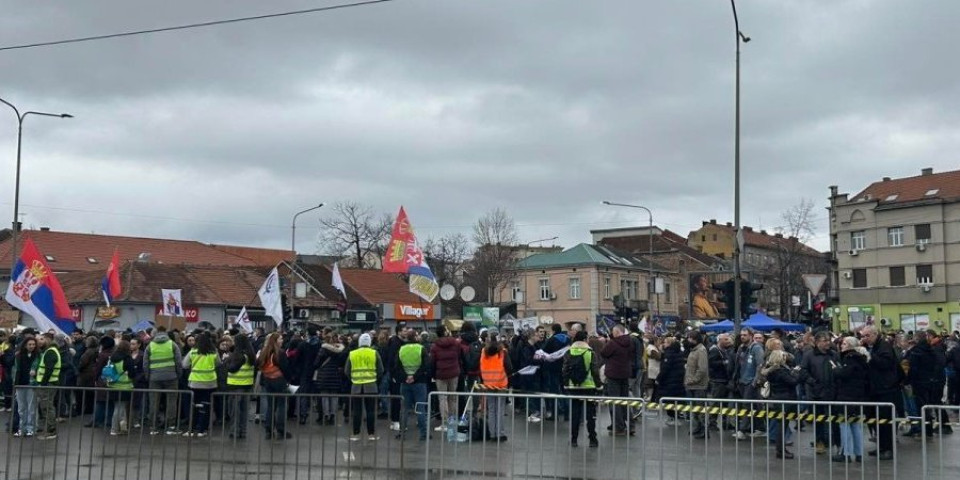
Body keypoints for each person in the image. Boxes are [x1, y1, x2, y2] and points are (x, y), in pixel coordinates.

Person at [860, 326, 900, 460]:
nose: (864, 338)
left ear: (874, 334)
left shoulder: (884, 346)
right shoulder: (873, 347)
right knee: (876, 420)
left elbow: (885, 364)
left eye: (866, 336)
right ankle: (881, 446)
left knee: (885, 421)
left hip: (885, 389)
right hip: (874, 389)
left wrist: (870, 357)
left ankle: (888, 449)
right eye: (863, 336)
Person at [798, 331, 838, 455]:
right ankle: (820, 442)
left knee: (834, 419)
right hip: (817, 393)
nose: (827, 343)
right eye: (824, 340)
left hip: (832, 392)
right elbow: (803, 371)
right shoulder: (809, 355)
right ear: (817, 342)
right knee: (819, 420)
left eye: (828, 340)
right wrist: (813, 382)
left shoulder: (834, 354)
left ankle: (836, 443)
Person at [832, 336, 869, 463]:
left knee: (844, 424)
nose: (841, 345)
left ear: (849, 345)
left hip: (847, 395)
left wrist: (836, 369)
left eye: (844, 343)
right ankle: (858, 453)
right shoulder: (861, 359)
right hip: (858, 395)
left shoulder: (850, 358)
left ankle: (846, 453)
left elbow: (844, 374)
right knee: (855, 424)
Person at [562, 330, 600, 448]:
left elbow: (565, 370)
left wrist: (565, 383)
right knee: (590, 415)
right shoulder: (590, 352)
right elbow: (595, 371)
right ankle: (592, 439)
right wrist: (599, 385)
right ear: (584, 340)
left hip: (573, 387)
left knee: (575, 414)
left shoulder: (569, 352)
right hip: (588, 387)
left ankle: (573, 439)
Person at [144, 325, 184, 435]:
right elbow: (179, 362)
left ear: (156, 333)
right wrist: (178, 375)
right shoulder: (172, 344)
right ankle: (171, 426)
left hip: (154, 378)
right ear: (166, 332)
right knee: (171, 402)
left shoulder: (150, 346)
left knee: (154, 402)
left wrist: (148, 376)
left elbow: (145, 364)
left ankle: (153, 427)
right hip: (171, 377)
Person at [345, 333, 384, 442]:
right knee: (371, 411)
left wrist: (353, 379)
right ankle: (371, 434)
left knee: (357, 411)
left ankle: (355, 434)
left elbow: (346, 371)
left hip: (356, 386)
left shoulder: (352, 353)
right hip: (371, 386)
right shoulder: (374, 353)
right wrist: (375, 379)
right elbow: (381, 370)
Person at [762, 350, 799, 459]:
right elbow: (793, 381)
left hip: (777, 398)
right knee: (782, 426)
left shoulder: (771, 371)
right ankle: (780, 450)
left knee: (781, 425)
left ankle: (781, 449)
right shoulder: (780, 371)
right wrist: (796, 373)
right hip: (785, 399)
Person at [182, 332, 220, 438]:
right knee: (206, 406)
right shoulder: (213, 352)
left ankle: (192, 428)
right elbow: (218, 363)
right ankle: (202, 429)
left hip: (195, 383)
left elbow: (184, 365)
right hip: (210, 383)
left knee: (193, 406)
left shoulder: (193, 352)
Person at [600, 324, 636, 436]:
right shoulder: (630, 342)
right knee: (625, 401)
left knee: (615, 402)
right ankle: (631, 425)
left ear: (615, 332)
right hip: (625, 373)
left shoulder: (613, 343)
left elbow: (603, 353)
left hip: (613, 374)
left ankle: (619, 427)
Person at [395, 330, 430, 441]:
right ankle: (423, 433)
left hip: (405, 382)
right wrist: (414, 376)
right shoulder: (421, 349)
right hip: (419, 382)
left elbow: (397, 366)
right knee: (420, 408)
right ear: (415, 337)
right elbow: (426, 366)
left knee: (404, 409)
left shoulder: (401, 350)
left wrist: (406, 376)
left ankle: (402, 432)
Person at [258, 332, 293, 440]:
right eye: (280, 339)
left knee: (270, 406)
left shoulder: (264, 352)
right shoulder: (280, 353)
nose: (282, 340)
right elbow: (285, 368)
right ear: (276, 341)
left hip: (268, 380)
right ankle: (280, 430)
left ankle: (268, 430)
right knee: (281, 405)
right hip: (279, 380)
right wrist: (289, 379)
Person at [734, 329, 765, 440]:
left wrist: (755, 381)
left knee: (747, 406)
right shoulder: (741, 348)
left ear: (751, 336)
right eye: (741, 335)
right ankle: (760, 428)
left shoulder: (756, 348)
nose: (742, 337)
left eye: (745, 335)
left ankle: (743, 430)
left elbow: (760, 365)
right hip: (743, 380)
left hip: (751, 381)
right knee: (755, 406)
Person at [479, 333, 511, 442]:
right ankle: (500, 434)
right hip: (501, 384)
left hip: (488, 384)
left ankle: (492, 434)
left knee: (491, 410)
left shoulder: (484, 352)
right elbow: (509, 367)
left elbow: (480, 366)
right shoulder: (503, 352)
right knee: (500, 409)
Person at [429, 325, 462, 431]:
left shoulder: (434, 346)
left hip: (441, 374)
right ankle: (452, 420)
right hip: (454, 372)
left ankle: (444, 423)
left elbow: (432, 362)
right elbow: (459, 356)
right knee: (452, 397)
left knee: (442, 398)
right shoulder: (455, 343)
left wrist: (433, 374)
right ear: (445, 332)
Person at [224, 333, 256, 439]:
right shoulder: (251, 355)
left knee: (234, 410)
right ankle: (243, 431)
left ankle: (235, 431)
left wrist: (226, 361)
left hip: (235, 385)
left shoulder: (239, 355)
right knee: (244, 410)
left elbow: (232, 369)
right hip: (247, 385)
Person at [315, 332, 346, 425]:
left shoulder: (322, 350)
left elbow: (317, 363)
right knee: (334, 397)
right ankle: (332, 415)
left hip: (324, 375)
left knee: (324, 397)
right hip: (335, 375)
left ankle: (326, 415)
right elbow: (341, 362)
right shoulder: (339, 350)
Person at [35, 332, 61, 441]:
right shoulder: (51, 351)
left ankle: (51, 430)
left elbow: (48, 369)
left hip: (48, 383)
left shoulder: (50, 352)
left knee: (47, 407)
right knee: (47, 407)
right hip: (50, 382)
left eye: (42, 339)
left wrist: (43, 383)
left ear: (48, 339)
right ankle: (50, 429)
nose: (39, 341)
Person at [107, 340, 136, 436]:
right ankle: (114, 429)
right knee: (120, 408)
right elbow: (132, 374)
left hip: (113, 385)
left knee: (119, 407)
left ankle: (123, 428)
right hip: (124, 386)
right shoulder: (127, 359)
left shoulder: (112, 358)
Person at [684, 330, 709, 438]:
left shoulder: (701, 350)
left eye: (690, 338)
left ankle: (703, 430)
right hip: (691, 384)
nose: (688, 340)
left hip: (698, 385)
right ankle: (697, 428)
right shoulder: (693, 350)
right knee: (694, 410)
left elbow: (702, 369)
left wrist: (693, 380)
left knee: (700, 409)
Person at [707, 333, 735, 431]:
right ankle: (712, 422)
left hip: (724, 380)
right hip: (718, 380)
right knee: (716, 403)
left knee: (726, 403)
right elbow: (711, 363)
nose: (728, 341)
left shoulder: (726, 350)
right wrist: (724, 362)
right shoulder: (715, 350)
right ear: (720, 340)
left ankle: (725, 423)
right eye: (726, 339)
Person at [12, 336, 38, 437]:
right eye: (30, 344)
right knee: (21, 408)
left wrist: (35, 372)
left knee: (31, 407)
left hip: (31, 384)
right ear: (25, 345)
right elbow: (14, 369)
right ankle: (21, 428)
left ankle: (31, 428)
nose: (32, 346)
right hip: (20, 383)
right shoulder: (18, 355)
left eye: (33, 344)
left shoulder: (37, 355)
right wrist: (14, 382)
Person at [657, 337, 686, 424]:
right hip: (678, 380)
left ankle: (672, 417)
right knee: (676, 399)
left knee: (669, 400)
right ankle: (675, 417)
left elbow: (665, 368)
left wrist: (659, 378)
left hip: (669, 381)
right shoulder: (679, 353)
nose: (663, 344)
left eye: (665, 343)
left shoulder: (669, 354)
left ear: (669, 344)